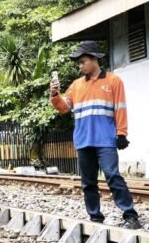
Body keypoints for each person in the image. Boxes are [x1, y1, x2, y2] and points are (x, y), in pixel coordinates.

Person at [49, 40, 141, 229]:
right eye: (79, 63)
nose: (80, 66)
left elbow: (120, 108)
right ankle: (95, 218)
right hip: (83, 141)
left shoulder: (113, 81)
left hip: (106, 140)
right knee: (88, 183)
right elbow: (64, 108)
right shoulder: (76, 85)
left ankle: (131, 216)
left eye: (83, 62)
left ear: (94, 59)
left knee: (113, 176)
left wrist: (122, 133)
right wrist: (55, 95)